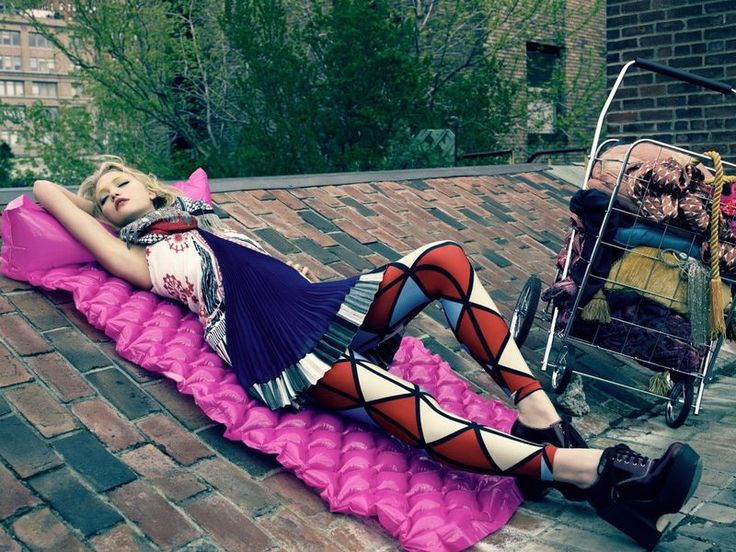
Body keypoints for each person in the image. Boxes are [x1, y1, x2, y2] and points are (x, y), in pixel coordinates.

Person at [32, 159, 703, 550]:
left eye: (119, 182)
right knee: (412, 409)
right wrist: (59, 192)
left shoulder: (204, 221)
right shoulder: (141, 255)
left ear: (152, 187)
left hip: (320, 305)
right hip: (274, 342)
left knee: (442, 262)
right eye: (103, 199)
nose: (111, 195)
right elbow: (52, 200)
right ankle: (598, 470)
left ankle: (536, 410)